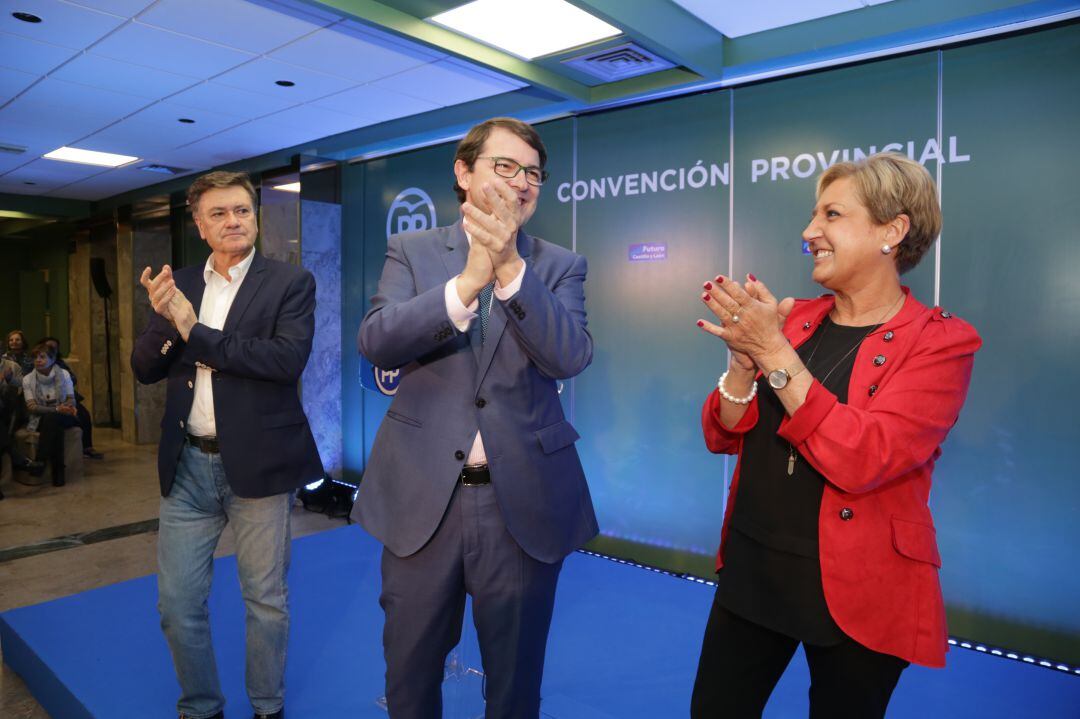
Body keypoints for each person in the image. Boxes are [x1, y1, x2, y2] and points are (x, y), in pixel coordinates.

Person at [691, 153, 981, 717]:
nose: (809, 231)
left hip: (862, 590)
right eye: (812, 215)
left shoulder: (940, 343)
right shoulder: (794, 318)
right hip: (754, 567)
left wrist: (772, 352)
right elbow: (723, 434)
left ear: (891, 232)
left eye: (832, 214)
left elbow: (866, 456)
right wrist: (742, 366)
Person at [356, 117, 596, 718]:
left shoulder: (560, 265)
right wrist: (467, 285)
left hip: (520, 503)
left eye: (533, 173)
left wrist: (511, 269)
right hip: (421, 497)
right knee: (409, 673)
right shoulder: (412, 251)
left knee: (514, 681)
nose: (521, 182)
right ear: (463, 173)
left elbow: (570, 355)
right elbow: (378, 341)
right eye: (505, 166)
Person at [131, 170, 322, 719]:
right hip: (187, 464)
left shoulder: (290, 282)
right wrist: (169, 320)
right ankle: (202, 707)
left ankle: (267, 707)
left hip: (260, 467)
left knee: (265, 601)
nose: (233, 221)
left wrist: (195, 332)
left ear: (255, 216)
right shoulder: (181, 283)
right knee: (177, 604)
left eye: (241, 210)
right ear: (199, 224)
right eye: (218, 213)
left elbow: (284, 362)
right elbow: (144, 368)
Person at [21, 342, 79, 487]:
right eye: (35, 358)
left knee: (53, 419)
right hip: (40, 419)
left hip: (66, 416)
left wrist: (66, 408)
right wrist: (57, 409)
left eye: (42, 357)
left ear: (53, 359)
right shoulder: (28, 379)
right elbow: (32, 407)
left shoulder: (64, 374)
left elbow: (71, 400)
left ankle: (40, 460)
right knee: (53, 422)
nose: (38, 360)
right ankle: (58, 472)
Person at [40, 336, 104, 460]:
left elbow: (73, 378)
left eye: (54, 347)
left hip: (66, 397)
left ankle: (87, 447)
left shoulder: (60, 363)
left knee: (84, 414)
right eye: (49, 347)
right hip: (50, 400)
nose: (52, 349)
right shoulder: (39, 361)